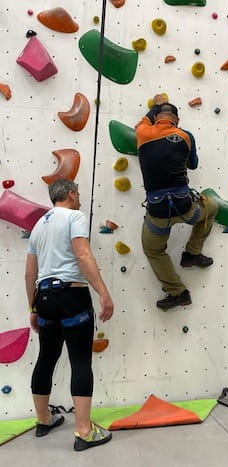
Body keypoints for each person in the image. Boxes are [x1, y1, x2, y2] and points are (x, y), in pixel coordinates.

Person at [25, 179, 114, 451]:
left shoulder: (39, 224)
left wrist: (32, 308)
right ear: (72, 194)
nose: (79, 198)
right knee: (79, 359)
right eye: (78, 193)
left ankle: (43, 420)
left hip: (45, 299)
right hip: (71, 295)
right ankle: (84, 431)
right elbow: (82, 254)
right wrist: (103, 292)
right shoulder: (75, 215)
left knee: (46, 357)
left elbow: (30, 272)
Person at [135, 94, 218, 309]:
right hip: (186, 207)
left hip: (158, 213)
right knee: (212, 207)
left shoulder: (143, 132)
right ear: (177, 120)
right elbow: (193, 165)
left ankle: (178, 293)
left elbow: (142, 122)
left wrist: (154, 106)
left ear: (156, 117)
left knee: (153, 250)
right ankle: (192, 253)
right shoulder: (185, 135)